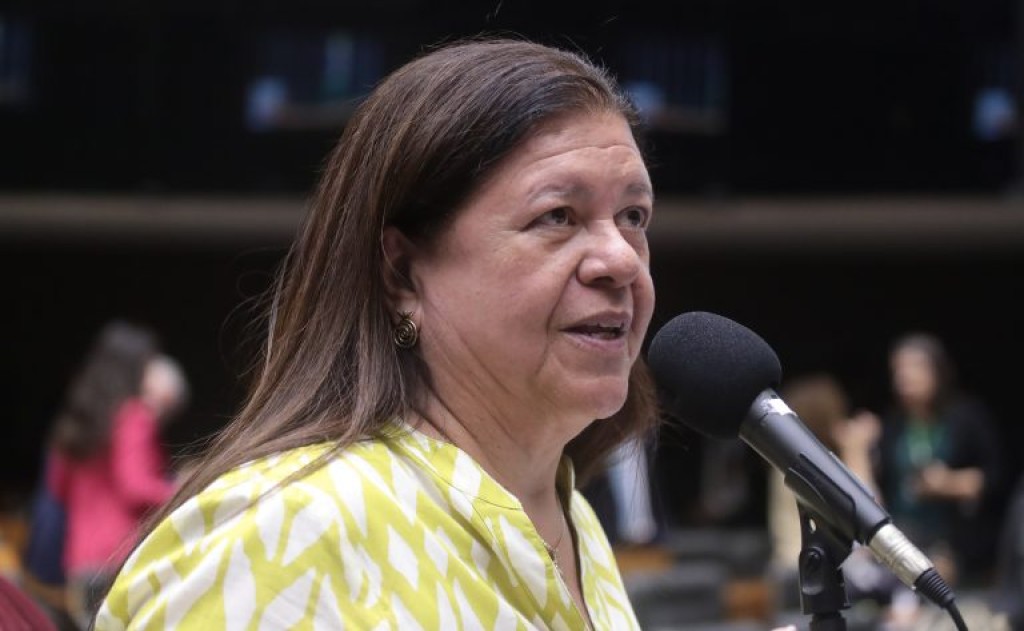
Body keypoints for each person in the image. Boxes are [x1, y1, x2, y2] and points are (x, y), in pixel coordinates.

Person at [95, 36, 662, 630]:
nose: (622, 260)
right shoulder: (284, 536)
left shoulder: (574, 521)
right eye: (557, 216)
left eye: (633, 217)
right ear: (401, 274)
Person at [43, 321, 184, 630]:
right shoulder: (133, 416)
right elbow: (135, 487)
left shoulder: (74, 420)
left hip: (80, 564)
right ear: (135, 365)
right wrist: (184, 488)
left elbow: (57, 489)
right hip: (121, 558)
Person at [869, 332, 1002, 588]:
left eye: (915, 367)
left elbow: (995, 477)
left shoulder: (966, 416)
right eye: (898, 369)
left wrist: (950, 483)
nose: (904, 376)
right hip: (901, 534)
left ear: (938, 371)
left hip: (953, 539)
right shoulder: (893, 423)